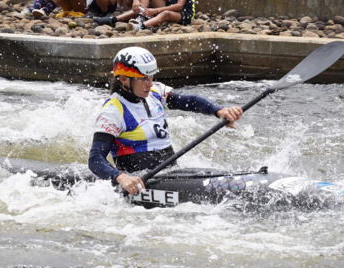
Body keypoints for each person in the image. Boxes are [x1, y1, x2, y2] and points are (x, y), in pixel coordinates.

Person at [89, 46, 243, 195]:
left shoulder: (155, 92)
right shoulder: (112, 111)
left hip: (171, 172)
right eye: (143, 79)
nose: (150, 83)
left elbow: (190, 101)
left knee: (224, 175)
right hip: (142, 181)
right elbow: (95, 159)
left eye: (151, 77)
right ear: (124, 79)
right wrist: (121, 177)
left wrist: (219, 110)